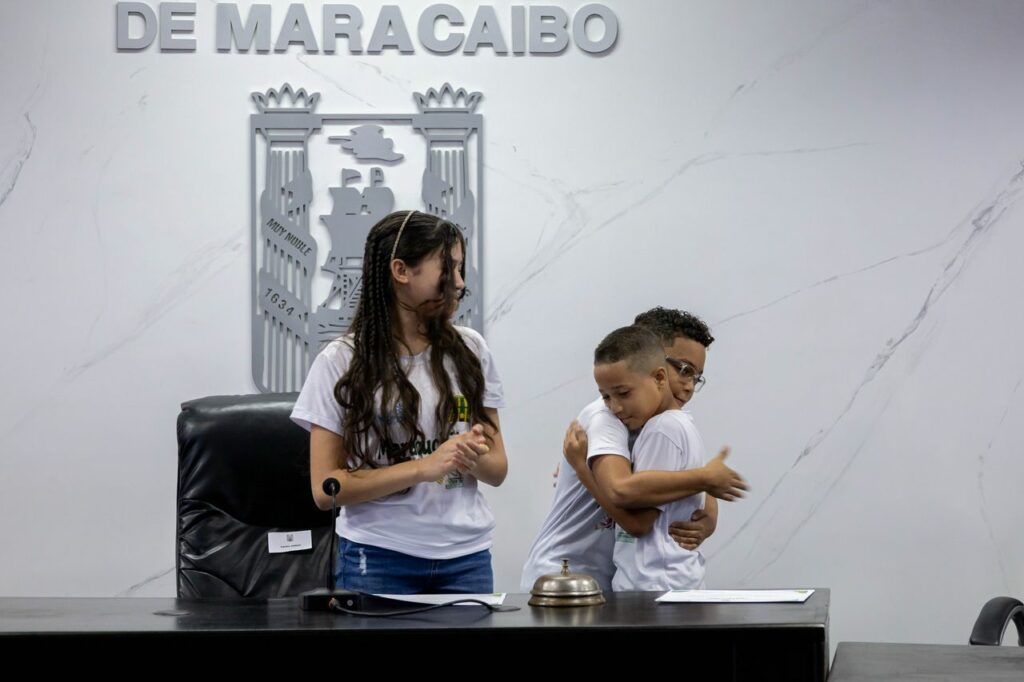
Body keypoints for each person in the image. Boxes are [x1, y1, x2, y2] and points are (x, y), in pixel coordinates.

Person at [291, 210, 507, 594]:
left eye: (460, 270)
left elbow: (497, 470)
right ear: (401, 271)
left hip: (467, 559)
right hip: (378, 556)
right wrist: (423, 467)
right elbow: (326, 490)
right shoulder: (339, 361)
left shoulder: (471, 350)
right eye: (447, 268)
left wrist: (470, 455)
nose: (459, 283)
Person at [520, 308, 744, 592]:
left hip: (603, 579)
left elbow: (680, 472)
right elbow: (623, 495)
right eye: (683, 369)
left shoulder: (655, 421)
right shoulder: (609, 418)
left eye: (696, 376)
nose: (689, 385)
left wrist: (709, 511)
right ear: (650, 357)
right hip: (565, 574)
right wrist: (582, 468)